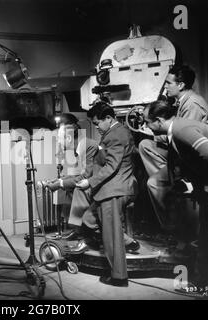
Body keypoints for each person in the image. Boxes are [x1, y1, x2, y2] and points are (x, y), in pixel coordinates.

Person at [143, 100, 208, 295]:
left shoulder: (181, 130)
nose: (146, 126)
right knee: (207, 234)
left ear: (159, 120)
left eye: (147, 122)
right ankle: (204, 284)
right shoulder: (176, 129)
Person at [139, 65, 208, 231]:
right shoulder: (183, 101)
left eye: (168, 83)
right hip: (189, 153)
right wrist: (149, 130)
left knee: (154, 183)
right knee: (145, 145)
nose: (165, 86)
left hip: (198, 161)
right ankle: (170, 186)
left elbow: (185, 139)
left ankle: (176, 230)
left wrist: (181, 175)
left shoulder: (193, 105)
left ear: (181, 85)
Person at [71, 102, 139, 287]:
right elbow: (102, 164)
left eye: (97, 123)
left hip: (114, 190)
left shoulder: (116, 135)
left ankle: (118, 277)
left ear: (108, 118)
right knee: (88, 219)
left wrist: (90, 182)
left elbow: (111, 166)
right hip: (108, 190)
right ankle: (128, 242)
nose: (96, 127)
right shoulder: (113, 133)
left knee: (111, 235)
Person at [44, 113, 102, 240]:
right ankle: (78, 230)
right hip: (95, 182)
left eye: (59, 139)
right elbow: (82, 174)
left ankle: (85, 233)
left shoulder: (87, 146)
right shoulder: (81, 147)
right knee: (69, 189)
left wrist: (60, 184)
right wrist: (61, 180)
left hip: (104, 185)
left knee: (76, 189)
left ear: (69, 139)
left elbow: (87, 176)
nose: (59, 142)